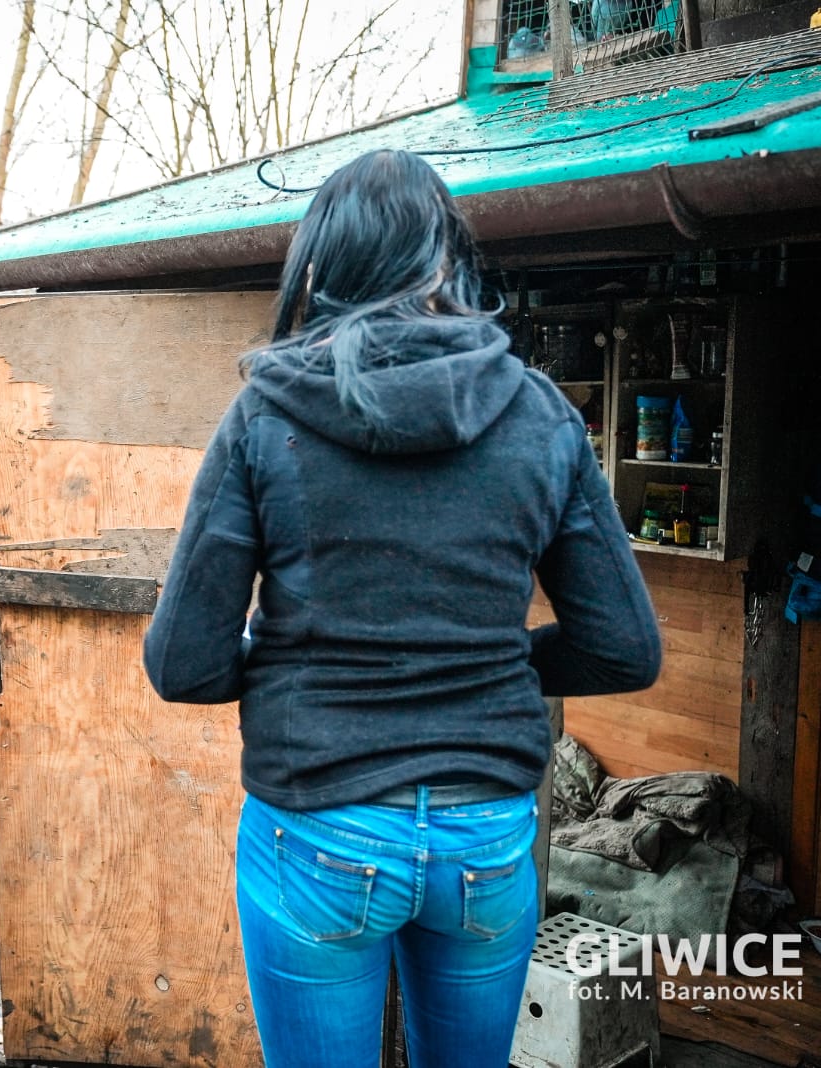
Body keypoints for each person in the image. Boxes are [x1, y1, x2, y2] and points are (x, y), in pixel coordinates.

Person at [142, 149, 662, 1068]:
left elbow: (184, 663)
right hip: (486, 840)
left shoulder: (265, 414)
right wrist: (491, 661)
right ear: (444, 260)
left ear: (323, 264)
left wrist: (291, 664)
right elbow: (623, 650)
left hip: (320, 828)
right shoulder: (540, 414)